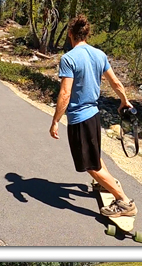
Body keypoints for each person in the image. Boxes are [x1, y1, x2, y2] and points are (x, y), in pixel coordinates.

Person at [50, 14, 137, 218]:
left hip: (80, 119)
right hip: (94, 116)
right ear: (86, 34)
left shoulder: (69, 58)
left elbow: (65, 93)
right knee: (94, 155)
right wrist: (124, 101)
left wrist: (55, 121)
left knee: (90, 165)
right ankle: (105, 184)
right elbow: (115, 83)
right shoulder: (99, 54)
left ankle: (124, 202)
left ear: (70, 34)